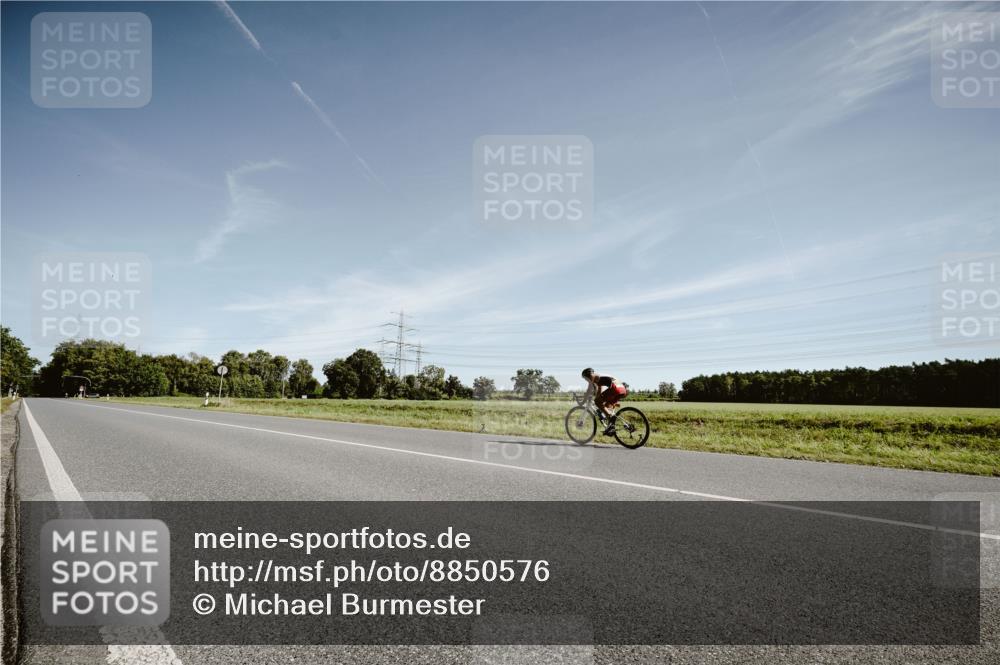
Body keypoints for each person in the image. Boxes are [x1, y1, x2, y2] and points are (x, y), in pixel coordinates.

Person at [581, 368, 627, 435]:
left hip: (615, 388)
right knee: (605, 407)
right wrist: (597, 398)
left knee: (597, 402)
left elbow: (589, 390)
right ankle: (611, 426)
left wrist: (583, 401)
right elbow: (599, 390)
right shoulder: (598, 377)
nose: (586, 380)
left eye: (585, 378)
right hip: (622, 388)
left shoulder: (592, 376)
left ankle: (611, 420)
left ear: (587, 375)